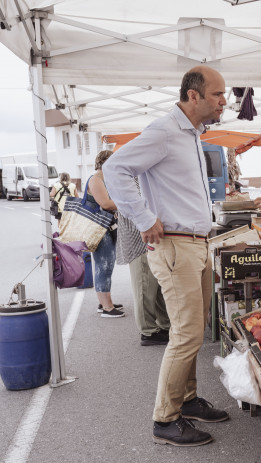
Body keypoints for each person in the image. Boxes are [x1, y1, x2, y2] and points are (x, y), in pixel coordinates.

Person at [103, 65, 229, 447]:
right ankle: (165, 419)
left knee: (193, 329)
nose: (224, 101)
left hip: (195, 243)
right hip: (175, 244)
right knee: (187, 333)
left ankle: (187, 400)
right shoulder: (163, 131)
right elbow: (114, 168)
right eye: (218, 94)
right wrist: (143, 217)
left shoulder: (190, 133)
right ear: (194, 95)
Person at [115, 179, 170, 347]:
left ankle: (164, 326)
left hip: (147, 238)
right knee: (144, 287)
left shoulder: (138, 177)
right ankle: (148, 332)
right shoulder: (129, 180)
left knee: (156, 286)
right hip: (140, 241)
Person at [88, 150, 124, 318]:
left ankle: (104, 302)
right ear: (105, 163)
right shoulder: (96, 180)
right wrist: (128, 203)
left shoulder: (104, 179)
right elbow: (105, 204)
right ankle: (107, 308)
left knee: (106, 265)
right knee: (104, 265)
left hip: (105, 227)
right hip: (99, 228)